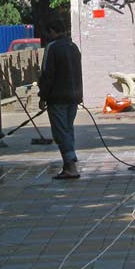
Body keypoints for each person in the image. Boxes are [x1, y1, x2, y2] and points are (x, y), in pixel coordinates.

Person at [38, 17, 83, 179]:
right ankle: (68, 163)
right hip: (73, 96)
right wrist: (79, 95)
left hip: (57, 97)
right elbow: (78, 73)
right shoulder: (73, 47)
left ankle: (70, 165)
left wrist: (43, 96)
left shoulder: (52, 48)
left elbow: (47, 75)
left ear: (52, 31)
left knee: (60, 132)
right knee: (68, 129)